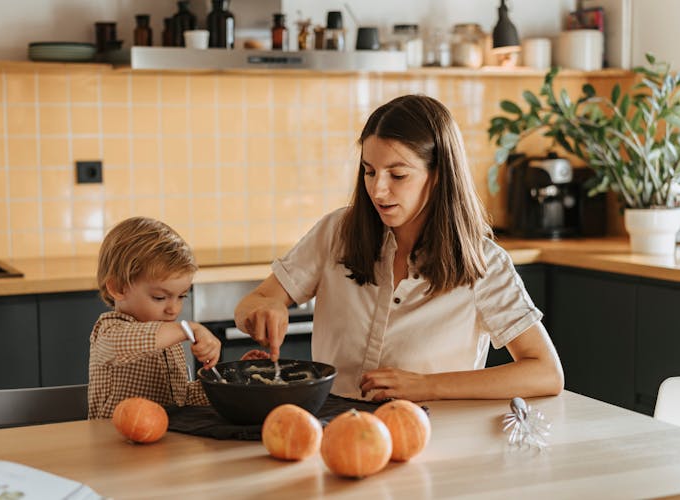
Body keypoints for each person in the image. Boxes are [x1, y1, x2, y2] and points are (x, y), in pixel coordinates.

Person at [234, 94, 564, 402]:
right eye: (370, 171)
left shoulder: (484, 263)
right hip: (334, 426)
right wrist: (264, 308)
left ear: (438, 176)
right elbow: (255, 302)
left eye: (398, 175)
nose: (378, 190)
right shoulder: (337, 232)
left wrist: (426, 386)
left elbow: (546, 372)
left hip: (433, 435)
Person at [88, 216, 221, 419]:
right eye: (160, 297)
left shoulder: (169, 339)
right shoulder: (108, 331)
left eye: (182, 296)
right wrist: (187, 328)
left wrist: (233, 383)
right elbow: (126, 344)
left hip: (165, 442)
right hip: (115, 444)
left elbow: (181, 399)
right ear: (118, 288)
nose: (174, 309)